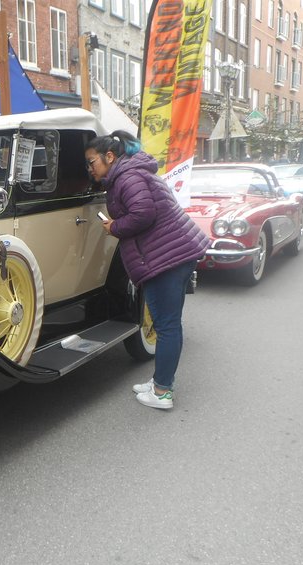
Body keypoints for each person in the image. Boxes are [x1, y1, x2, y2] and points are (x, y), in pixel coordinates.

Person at [84, 130, 209, 410]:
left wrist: (114, 227)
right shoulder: (129, 173)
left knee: (166, 326)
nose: (89, 169)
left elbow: (143, 214)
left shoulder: (127, 177)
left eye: (92, 162)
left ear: (109, 156)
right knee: (169, 323)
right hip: (175, 253)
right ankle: (159, 381)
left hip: (168, 258)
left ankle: (162, 391)